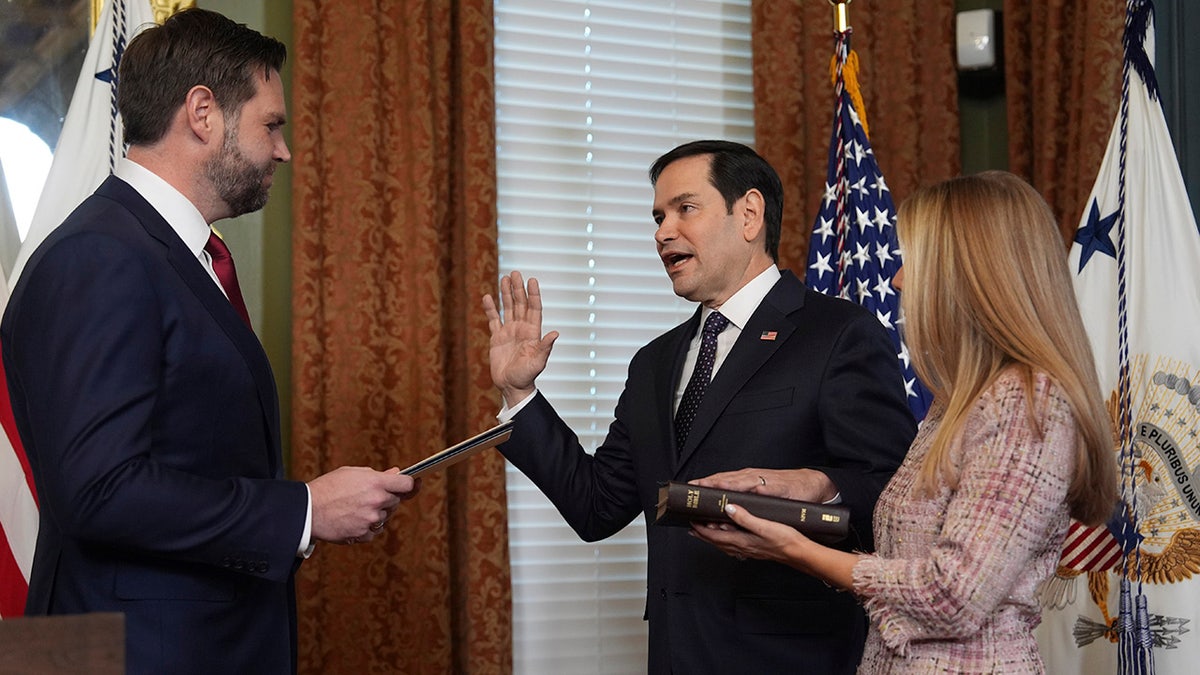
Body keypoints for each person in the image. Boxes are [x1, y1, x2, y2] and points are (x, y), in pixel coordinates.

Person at [0, 9, 417, 674]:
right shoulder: (100, 255)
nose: (284, 150)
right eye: (271, 124)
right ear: (203, 113)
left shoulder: (175, 252)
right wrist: (305, 507)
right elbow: (99, 490)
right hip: (133, 653)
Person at [483, 140, 917, 673]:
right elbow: (596, 507)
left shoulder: (838, 335)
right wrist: (520, 395)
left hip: (794, 656)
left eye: (685, 209)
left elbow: (895, 501)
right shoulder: (654, 364)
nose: (664, 232)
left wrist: (816, 483)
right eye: (658, 216)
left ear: (749, 214)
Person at [693, 170, 1119, 673]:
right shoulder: (956, 402)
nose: (897, 279)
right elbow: (907, 556)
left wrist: (794, 550)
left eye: (912, 260)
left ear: (969, 272)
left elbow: (954, 595)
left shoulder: (1026, 403)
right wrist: (803, 490)